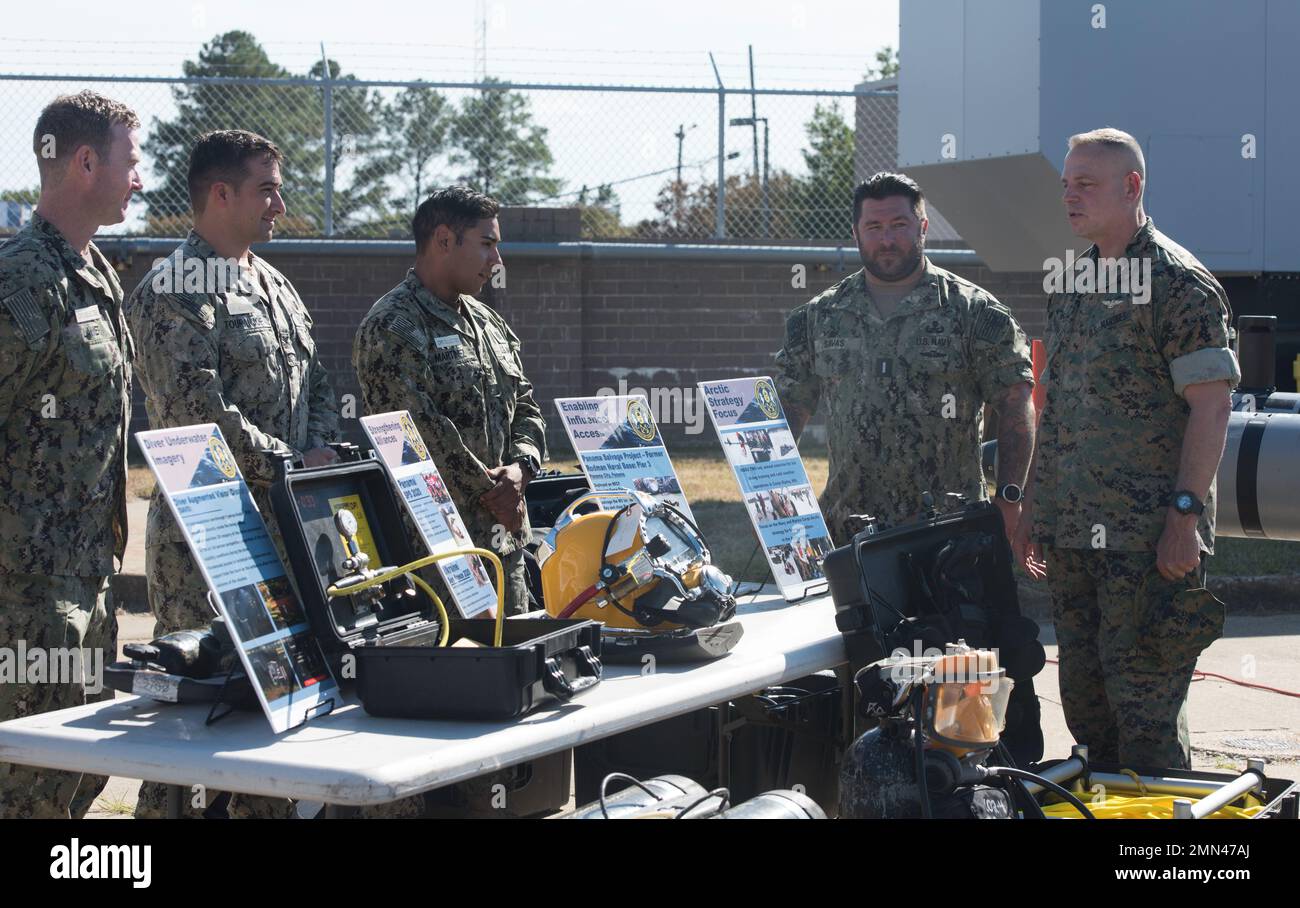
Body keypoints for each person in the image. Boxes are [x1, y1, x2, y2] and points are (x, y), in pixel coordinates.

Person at [126, 130, 342, 818]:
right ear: (220, 195)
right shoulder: (171, 289)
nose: (280, 203)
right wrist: (291, 463)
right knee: (192, 740)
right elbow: (194, 414)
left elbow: (318, 389)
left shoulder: (273, 283)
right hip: (207, 547)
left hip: (287, 540)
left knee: (273, 731)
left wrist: (316, 463)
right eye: (266, 189)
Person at [1013, 128, 1239, 769]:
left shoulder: (1178, 285)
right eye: (1066, 184)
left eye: (1086, 184)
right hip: (1075, 539)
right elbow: (1051, 408)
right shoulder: (1071, 282)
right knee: (1088, 720)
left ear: (1131, 186)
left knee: (1146, 724)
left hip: (1148, 546)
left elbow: (1211, 407)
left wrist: (1184, 519)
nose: (1070, 197)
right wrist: (1034, 506)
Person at [0, 90, 141, 818]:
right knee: (21, 782)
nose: (139, 180)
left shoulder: (96, 271)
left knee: (74, 777)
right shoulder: (23, 279)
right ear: (85, 162)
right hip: (21, 596)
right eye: (131, 161)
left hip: (84, 583)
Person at [775, 172, 1036, 545]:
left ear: (923, 226)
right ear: (855, 233)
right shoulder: (819, 317)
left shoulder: (973, 312)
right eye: (874, 227)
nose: (886, 240)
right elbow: (784, 417)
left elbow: (1015, 404)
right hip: (850, 533)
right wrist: (773, 503)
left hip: (951, 533)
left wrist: (1010, 498)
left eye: (899, 225)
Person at [353, 185, 546, 617]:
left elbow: (527, 406)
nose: (497, 262)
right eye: (487, 244)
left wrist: (522, 468)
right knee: (457, 672)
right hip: (438, 553)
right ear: (443, 240)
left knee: (513, 662)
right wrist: (497, 493)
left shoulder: (488, 322)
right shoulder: (393, 326)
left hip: (506, 539)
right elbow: (415, 434)